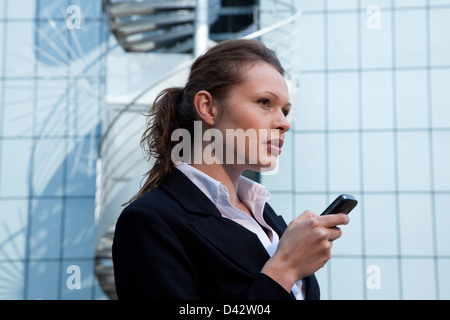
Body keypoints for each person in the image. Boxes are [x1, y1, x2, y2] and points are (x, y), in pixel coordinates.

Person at [112, 39, 349, 300]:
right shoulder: (151, 220)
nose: (284, 123)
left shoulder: (266, 219)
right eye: (264, 102)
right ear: (208, 108)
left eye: (285, 110)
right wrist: (285, 269)